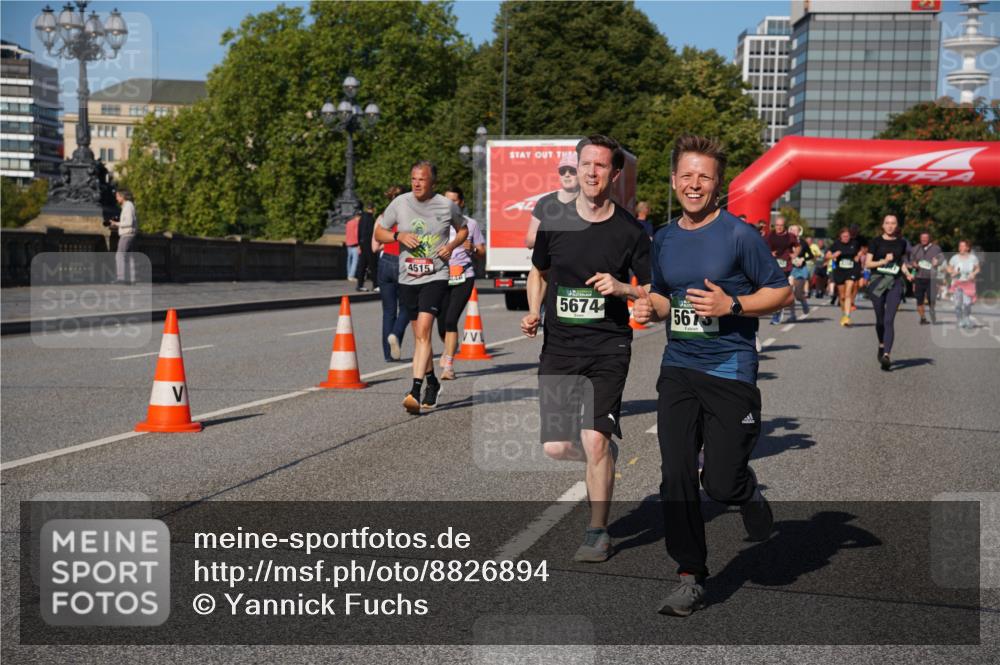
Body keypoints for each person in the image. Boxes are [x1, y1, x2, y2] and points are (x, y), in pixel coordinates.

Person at [631, 134, 791, 617]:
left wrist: (733, 304)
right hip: (679, 368)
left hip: (730, 370)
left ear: (718, 184)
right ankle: (690, 574)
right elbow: (663, 297)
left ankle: (747, 494)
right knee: (675, 475)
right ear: (674, 180)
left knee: (720, 483)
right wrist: (649, 306)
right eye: (686, 176)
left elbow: (782, 293)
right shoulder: (664, 237)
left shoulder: (740, 236)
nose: (694, 184)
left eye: (704, 176)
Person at [521, 135, 650, 563]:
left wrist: (623, 289)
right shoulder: (555, 220)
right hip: (559, 346)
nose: (592, 173)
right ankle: (602, 454)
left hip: (607, 347)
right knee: (557, 447)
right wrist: (534, 311)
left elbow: (650, 292)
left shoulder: (631, 231)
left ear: (615, 174)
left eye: (601, 166)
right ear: (576, 168)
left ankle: (598, 531)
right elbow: (538, 272)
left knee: (593, 440)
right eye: (586, 164)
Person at [375, 161, 468, 414]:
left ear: (432, 183)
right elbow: (379, 233)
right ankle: (433, 382)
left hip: (436, 275)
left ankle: (414, 390)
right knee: (420, 337)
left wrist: (450, 247)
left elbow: (463, 230)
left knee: (424, 330)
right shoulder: (400, 203)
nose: (416, 183)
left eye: (422, 179)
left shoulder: (446, 205)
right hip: (408, 277)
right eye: (413, 178)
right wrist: (398, 236)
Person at [438, 186, 486, 380]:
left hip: (463, 276)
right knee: (441, 323)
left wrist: (473, 248)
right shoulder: (436, 223)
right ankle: (449, 347)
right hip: (441, 276)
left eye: (454, 201)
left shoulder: (470, 224)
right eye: (446, 201)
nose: (450, 205)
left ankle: (448, 365)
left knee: (451, 320)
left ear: (461, 203)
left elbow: (483, 253)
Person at [866, 215, 913, 371]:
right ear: (883, 225)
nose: (890, 226)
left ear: (897, 225)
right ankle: (881, 344)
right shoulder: (875, 242)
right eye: (887, 223)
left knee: (888, 319)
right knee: (880, 320)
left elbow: (901, 262)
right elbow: (868, 263)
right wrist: (883, 261)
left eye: (893, 223)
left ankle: (886, 355)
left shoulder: (902, 242)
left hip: (895, 282)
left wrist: (907, 273)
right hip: (877, 282)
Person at [373, 185, 410, 362]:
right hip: (404, 262)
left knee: (388, 311)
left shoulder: (383, 217)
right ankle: (395, 334)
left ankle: (388, 355)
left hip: (385, 261)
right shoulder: (412, 217)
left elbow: (374, 245)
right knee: (407, 307)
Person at [525, 150, 580, 249]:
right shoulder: (544, 202)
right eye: (562, 171)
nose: (567, 175)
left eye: (572, 171)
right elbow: (529, 241)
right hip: (552, 263)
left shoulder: (589, 202)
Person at [826, 228, 863, 327]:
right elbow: (827, 255)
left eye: (848, 236)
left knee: (848, 294)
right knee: (842, 297)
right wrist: (833, 255)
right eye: (844, 236)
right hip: (840, 271)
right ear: (840, 237)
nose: (846, 238)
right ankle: (844, 314)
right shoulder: (836, 244)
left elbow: (862, 250)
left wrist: (858, 255)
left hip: (851, 270)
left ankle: (847, 316)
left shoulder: (854, 243)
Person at [767, 215, 799, 324]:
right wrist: (770, 253)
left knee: (783, 291)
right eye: (777, 225)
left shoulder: (790, 236)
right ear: (774, 225)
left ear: (784, 226)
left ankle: (780, 313)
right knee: (774, 291)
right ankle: (777, 311)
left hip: (787, 267)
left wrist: (795, 254)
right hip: (773, 267)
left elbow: (798, 246)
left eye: (781, 225)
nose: (779, 227)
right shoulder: (770, 235)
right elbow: (762, 247)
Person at [909, 231, 943, 325]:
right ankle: (922, 318)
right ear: (920, 238)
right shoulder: (915, 248)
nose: (924, 239)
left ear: (929, 238)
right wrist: (913, 264)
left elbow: (942, 259)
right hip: (919, 277)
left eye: (926, 238)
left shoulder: (936, 248)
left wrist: (938, 262)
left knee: (931, 299)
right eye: (922, 238)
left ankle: (932, 311)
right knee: (919, 300)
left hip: (931, 278)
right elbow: (911, 260)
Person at [948, 240, 981, 329]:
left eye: (963, 246)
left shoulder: (973, 258)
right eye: (960, 246)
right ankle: (960, 320)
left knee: (967, 303)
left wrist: (974, 273)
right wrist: (953, 272)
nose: (961, 248)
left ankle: (966, 318)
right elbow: (949, 269)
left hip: (969, 284)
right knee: (958, 304)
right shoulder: (954, 258)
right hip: (957, 283)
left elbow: (978, 269)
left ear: (967, 248)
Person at [109, 189, 138, 284]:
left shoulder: (128, 206)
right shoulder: (128, 206)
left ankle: (121, 278)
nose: (116, 199)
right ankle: (132, 279)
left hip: (127, 234)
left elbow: (129, 222)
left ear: (122, 196)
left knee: (120, 255)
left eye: (117, 196)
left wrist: (116, 223)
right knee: (130, 256)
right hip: (129, 233)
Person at [789, 225, 812, 316]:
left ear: (799, 232)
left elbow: (811, 255)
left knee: (798, 294)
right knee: (789, 293)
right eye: (792, 230)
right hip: (790, 269)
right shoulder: (786, 242)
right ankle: (792, 314)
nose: (794, 232)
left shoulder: (803, 242)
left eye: (796, 230)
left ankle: (803, 302)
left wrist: (803, 259)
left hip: (801, 270)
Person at [355, 203, 377, 292]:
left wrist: (359, 244)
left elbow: (359, 232)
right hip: (369, 244)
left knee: (362, 265)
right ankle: (375, 285)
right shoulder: (371, 219)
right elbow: (372, 233)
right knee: (373, 265)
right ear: (373, 209)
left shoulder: (362, 218)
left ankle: (359, 285)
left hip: (362, 244)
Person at [344, 214, 360, 281]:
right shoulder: (357, 223)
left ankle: (348, 274)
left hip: (348, 243)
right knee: (355, 260)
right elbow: (357, 234)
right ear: (358, 217)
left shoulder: (348, 223)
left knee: (349, 260)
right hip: (355, 243)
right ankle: (351, 275)